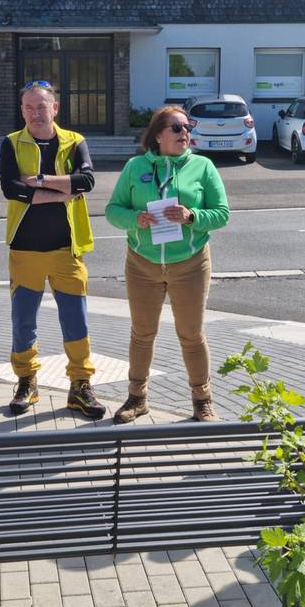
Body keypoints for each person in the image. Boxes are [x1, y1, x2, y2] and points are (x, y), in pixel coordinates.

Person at [105, 106, 229, 422]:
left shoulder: (202, 167)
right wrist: (136, 219)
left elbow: (222, 213)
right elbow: (112, 210)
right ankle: (137, 398)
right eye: (176, 127)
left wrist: (193, 216)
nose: (184, 133)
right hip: (142, 263)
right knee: (142, 332)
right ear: (158, 134)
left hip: (189, 264)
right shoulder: (135, 167)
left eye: (188, 127)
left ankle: (202, 399)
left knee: (191, 333)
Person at [0, 80, 104, 418]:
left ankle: (80, 387)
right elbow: (10, 187)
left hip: (66, 250)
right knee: (23, 322)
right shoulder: (11, 143)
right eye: (28, 107)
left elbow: (87, 181)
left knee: (76, 321)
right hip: (25, 250)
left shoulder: (75, 142)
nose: (34, 113)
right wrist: (64, 189)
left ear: (54, 108)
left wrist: (41, 181)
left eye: (41, 106)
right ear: (22, 110)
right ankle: (27, 382)